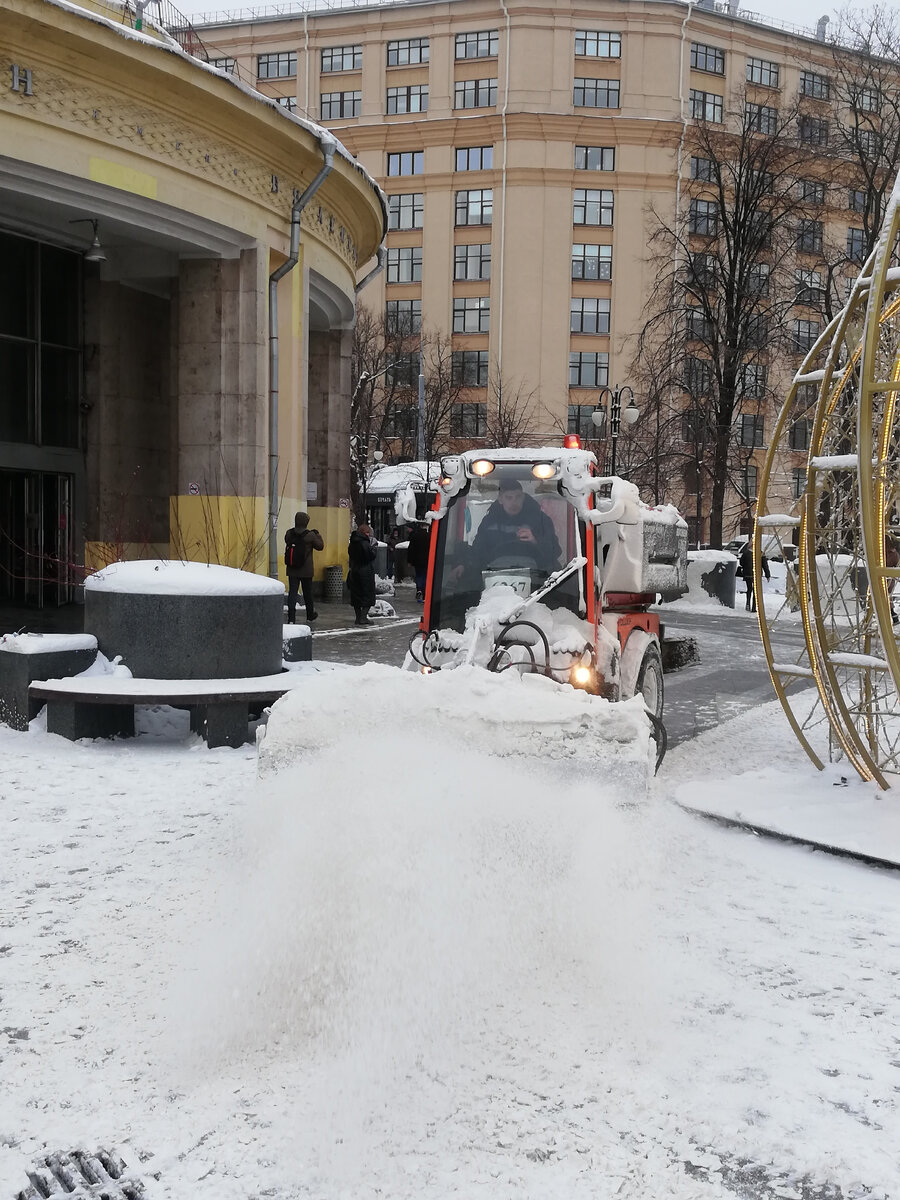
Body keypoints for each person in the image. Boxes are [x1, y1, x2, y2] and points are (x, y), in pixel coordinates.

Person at [470, 478, 562, 574]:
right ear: (500, 500)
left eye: (518, 497)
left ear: (523, 497)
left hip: (536, 578)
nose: (514, 502)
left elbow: (555, 552)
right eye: (509, 498)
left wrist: (535, 540)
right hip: (495, 575)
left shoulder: (540, 520)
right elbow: (477, 553)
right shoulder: (489, 522)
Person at [284, 511, 324, 624]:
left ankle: (291, 618)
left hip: (292, 569)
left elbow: (286, 540)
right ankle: (310, 615)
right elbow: (320, 546)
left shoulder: (289, 533)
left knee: (292, 593)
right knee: (307, 593)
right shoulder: (310, 535)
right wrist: (318, 535)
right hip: (306, 570)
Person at [347, 523, 377, 625]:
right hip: (365, 571)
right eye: (367, 532)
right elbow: (370, 556)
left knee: (356, 595)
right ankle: (363, 617)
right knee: (367, 595)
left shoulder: (353, 543)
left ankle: (358, 617)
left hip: (355, 571)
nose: (369, 534)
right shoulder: (364, 543)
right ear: (364, 533)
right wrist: (373, 549)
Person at [739, 541, 769, 613]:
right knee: (756, 590)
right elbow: (765, 565)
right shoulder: (760, 553)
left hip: (747, 574)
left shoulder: (746, 553)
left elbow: (741, 563)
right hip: (757, 575)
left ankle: (748, 603)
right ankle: (754, 607)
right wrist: (767, 574)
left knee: (749, 589)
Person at [406, 521, 431, 602]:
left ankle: (419, 589)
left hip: (417, 560)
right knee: (425, 576)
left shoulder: (415, 535)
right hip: (427, 560)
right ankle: (424, 593)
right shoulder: (430, 536)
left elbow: (411, 549)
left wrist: (409, 561)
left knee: (419, 575)